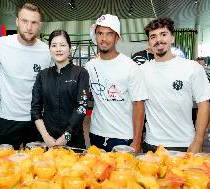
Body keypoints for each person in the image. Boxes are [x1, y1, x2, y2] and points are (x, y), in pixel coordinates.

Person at [141, 17, 210, 153]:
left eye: (163, 34)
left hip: (184, 144)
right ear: (149, 42)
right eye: (153, 36)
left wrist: (198, 140)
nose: (158, 40)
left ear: (172, 38)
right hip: (151, 144)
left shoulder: (192, 68)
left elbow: (204, 104)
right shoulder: (142, 70)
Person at [0, 2, 52, 149]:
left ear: (40, 25)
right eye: (25, 21)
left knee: (36, 166)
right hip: (8, 118)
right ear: (17, 21)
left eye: (34, 22)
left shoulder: (46, 51)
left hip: (36, 120)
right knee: (6, 164)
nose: (29, 27)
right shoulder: (0, 44)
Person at [85, 14, 148, 152]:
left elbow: (139, 105)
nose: (104, 38)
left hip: (123, 136)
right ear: (95, 36)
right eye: (100, 33)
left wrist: (137, 141)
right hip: (96, 134)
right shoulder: (89, 66)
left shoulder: (130, 66)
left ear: (116, 37)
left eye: (109, 34)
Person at [31, 30, 89, 148]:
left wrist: (66, 137)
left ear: (69, 48)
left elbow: (81, 107)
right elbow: (35, 110)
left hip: (73, 139)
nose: (58, 49)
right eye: (54, 45)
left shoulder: (80, 73)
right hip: (47, 140)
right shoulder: (42, 75)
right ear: (50, 49)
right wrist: (46, 138)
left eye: (62, 45)